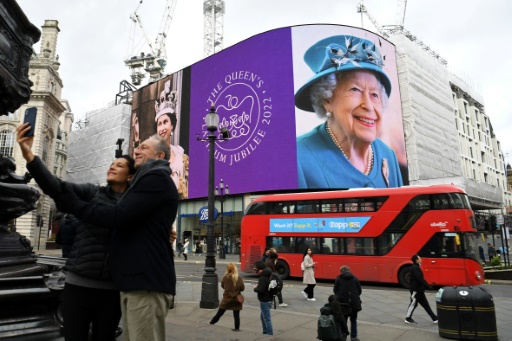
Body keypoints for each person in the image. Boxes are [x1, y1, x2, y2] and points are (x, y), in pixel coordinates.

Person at [17, 123, 136, 341]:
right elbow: (57, 187)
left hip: (112, 291)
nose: (112, 167)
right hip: (77, 285)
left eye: (119, 165)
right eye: (111, 164)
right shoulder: (92, 192)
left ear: (130, 176)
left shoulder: (134, 205)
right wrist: (30, 156)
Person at [55, 134, 179, 341]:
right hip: (135, 282)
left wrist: (75, 206)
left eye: (143, 148)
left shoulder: (155, 177)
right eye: (137, 147)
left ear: (159, 155)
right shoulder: (145, 181)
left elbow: (117, 215)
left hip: (145, 283)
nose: (136, 151)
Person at [295, 35, 404, 189]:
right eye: (355, 90)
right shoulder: (298, 158)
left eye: (374, 95)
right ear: (327, 100)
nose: (369, 106)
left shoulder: (388, 155)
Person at [155, 82, 189, 199]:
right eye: (159, 124)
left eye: (165, 122)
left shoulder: (180, 154)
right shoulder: (152, 154)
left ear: (172, 125)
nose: (162, 128)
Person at [210, 263, 245, 331]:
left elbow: (223, 286)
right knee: (236, 315)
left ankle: (211, 323)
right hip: (236, 300)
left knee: (219, 313)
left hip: (227, 299)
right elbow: (242, 288)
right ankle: (237, 329)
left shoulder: (225, 278)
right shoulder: (239, 278)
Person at [404, 255, 438, 324]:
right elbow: (420, 278)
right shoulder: (414, 268)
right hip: (416, 290)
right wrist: (428, 286)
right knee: (413, 304)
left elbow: (420, 279)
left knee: (425, 304)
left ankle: (434, 318)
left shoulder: (416, 267)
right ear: (416, 260)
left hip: (419, 290)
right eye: (419, 258)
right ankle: (408, 318)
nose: (421, 259)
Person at [334, 265, 362, 341]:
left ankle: (343, 335)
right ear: (349, 270)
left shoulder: (338, 279)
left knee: (344, 321)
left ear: (341, 271)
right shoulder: (355, 278)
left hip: (343, 305)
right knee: (353, 321)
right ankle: (354, 337)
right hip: (354, 304)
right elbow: (359, 291)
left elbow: (335, 290)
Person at [253, 266, 273, 335]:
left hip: (264, 300)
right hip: (269, 299)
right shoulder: (269, 277)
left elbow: (261, 290)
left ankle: (270, 334)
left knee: (267, 319)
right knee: (262, 317)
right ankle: (265, 331)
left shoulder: (262, 278)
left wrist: (255, 288)